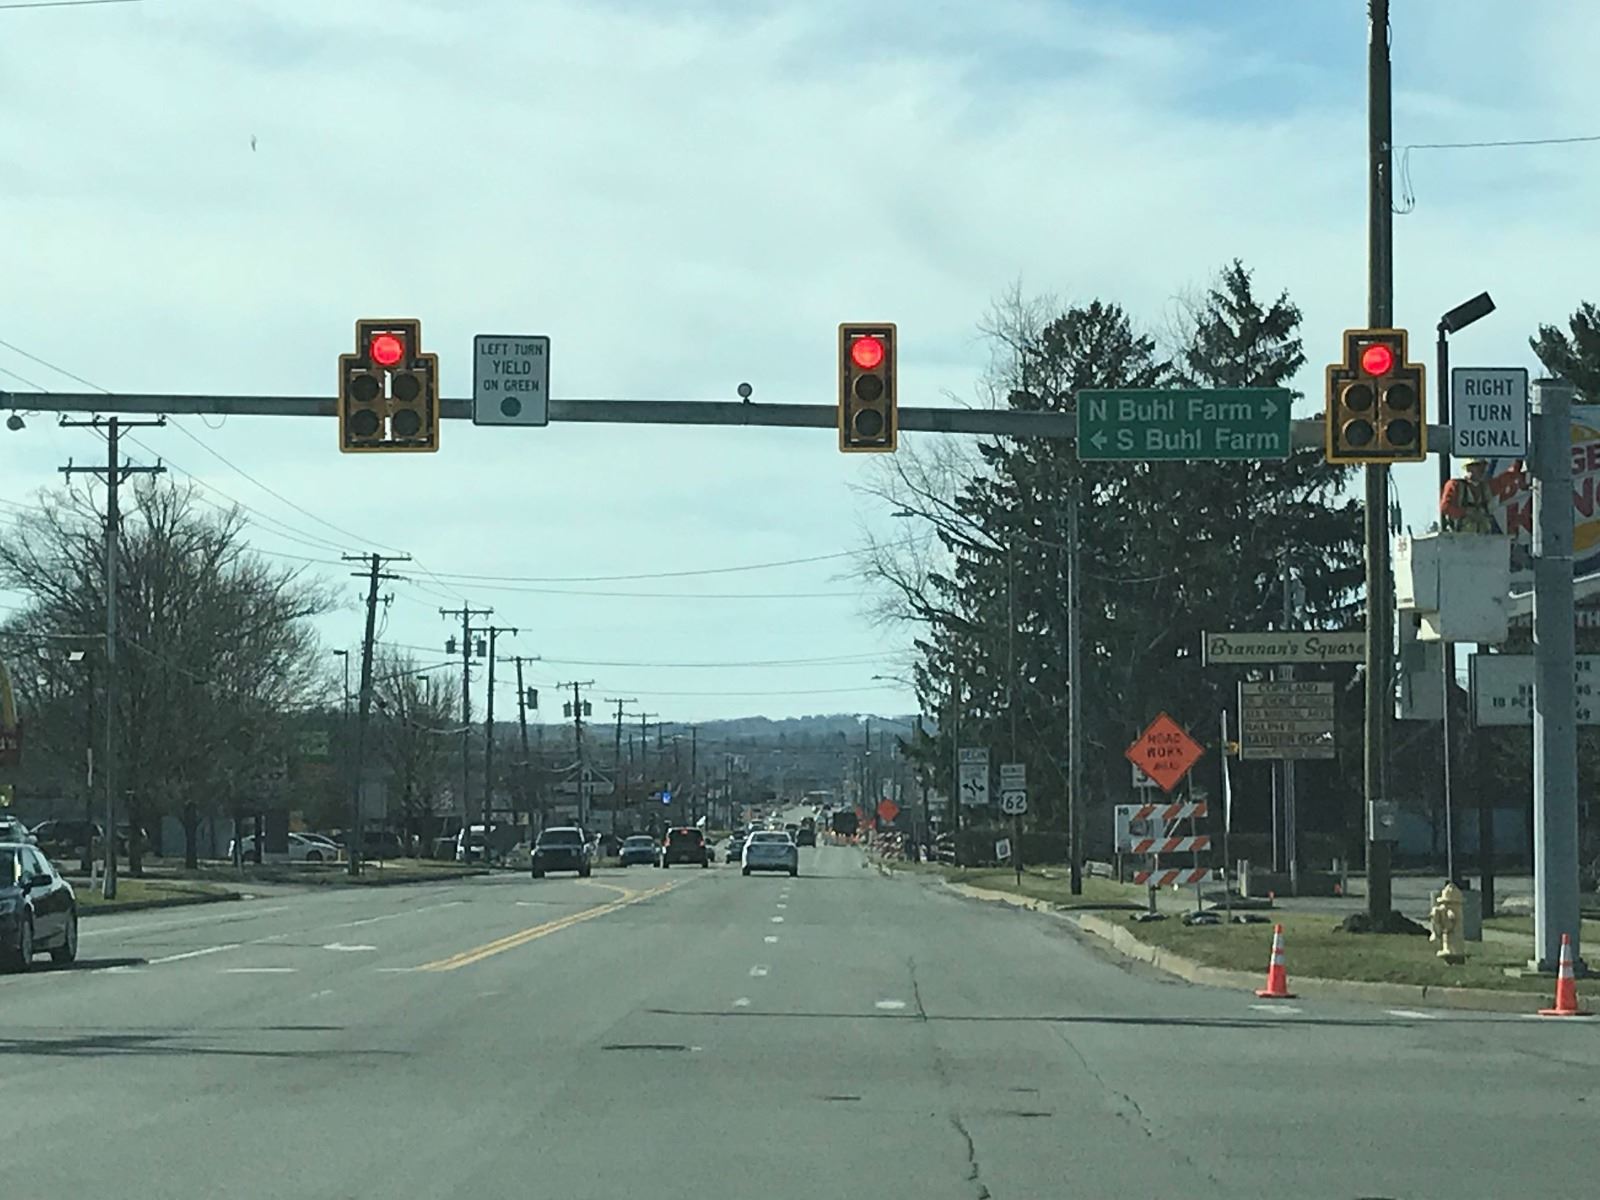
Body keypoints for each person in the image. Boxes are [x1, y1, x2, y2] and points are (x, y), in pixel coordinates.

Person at [1439, 457, 1501, 535]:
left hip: (1483, 538)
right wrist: (1466, 512)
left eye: (1484, 466)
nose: (1482, 469)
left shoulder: (1485, 488)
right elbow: (1445, 508)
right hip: (1460, 538)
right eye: (1478, 465)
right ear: (1468, 468)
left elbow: (1506, 479)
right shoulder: (1456, 485)